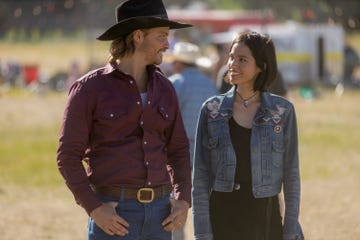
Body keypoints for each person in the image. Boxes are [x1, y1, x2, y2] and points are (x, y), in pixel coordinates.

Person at [56, 1, 193, 239]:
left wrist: (183, 200)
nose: (167, 44)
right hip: (114, 216)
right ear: (138, 36)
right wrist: (95, 209)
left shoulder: (166, 89)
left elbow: (179, 150)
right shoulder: (89, 89)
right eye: (161, 36)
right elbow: (67, 157)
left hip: (161, 216)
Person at [192, 31, 304, 240]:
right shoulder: (211, 110)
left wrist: (290, 229)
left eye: (242, 59)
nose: (232, 64)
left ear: (262, 65)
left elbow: (291, 177)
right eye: (231, 57)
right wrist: (202, 233)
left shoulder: (282, 111)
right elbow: (200, 178)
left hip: (265, 219)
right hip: (222, 218)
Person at [165, 41, 218, 240]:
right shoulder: (210, 85)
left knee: (176, 200)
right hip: (206, 150)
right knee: (202, 201)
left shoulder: (175, 83)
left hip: (180, 151)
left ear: (179, 63)